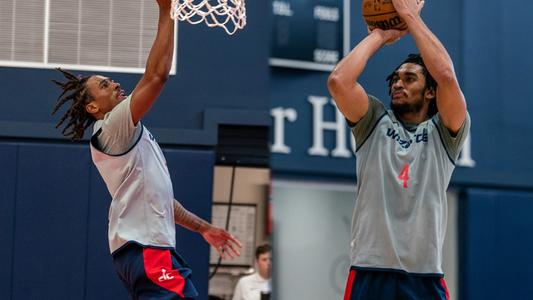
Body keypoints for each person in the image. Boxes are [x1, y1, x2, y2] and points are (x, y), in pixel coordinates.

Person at [51, 0, 241, 298]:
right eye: (104, 85)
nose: (113, 83)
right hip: (145, 249)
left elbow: (162, 201)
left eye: (110, 80)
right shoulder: (113, 126)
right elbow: (156, 76)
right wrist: (167, 10)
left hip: (144, 251)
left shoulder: (126, 134)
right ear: (92, 107)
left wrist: (204, 228)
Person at [327, 0, 469, 299]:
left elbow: (445, 75)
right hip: (369, 271)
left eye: (409, 78)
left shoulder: (445, 133)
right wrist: (380, 35)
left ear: (430, 92)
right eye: (395, 79)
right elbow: (339, 81)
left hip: (425, 275)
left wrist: (408, 15)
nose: (397, 84)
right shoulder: (374, 122)